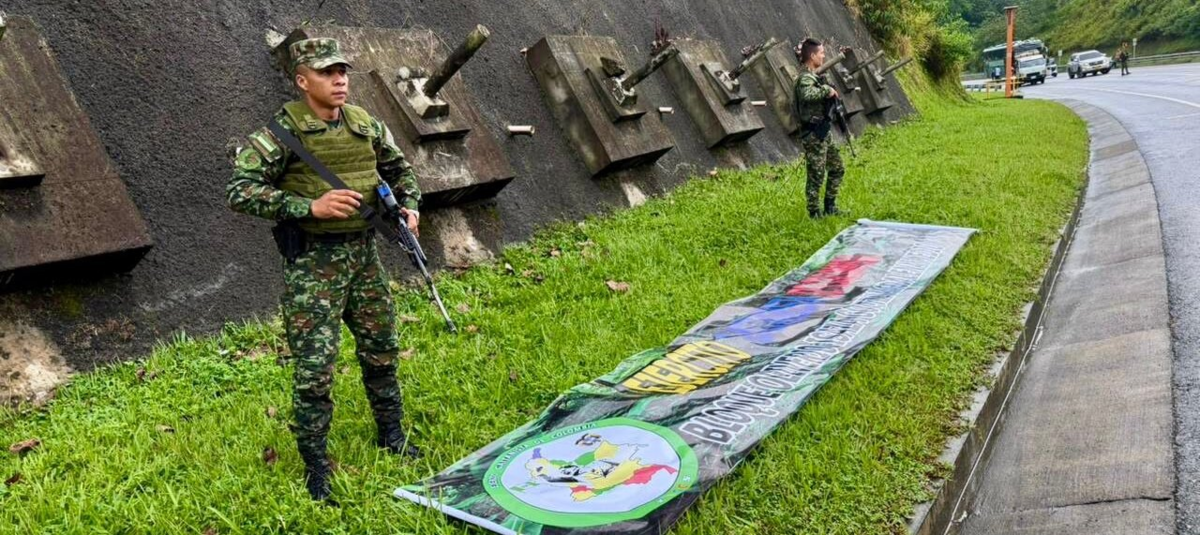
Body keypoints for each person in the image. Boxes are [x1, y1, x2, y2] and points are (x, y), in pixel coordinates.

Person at [226, 37, 423, 503]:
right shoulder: (281, 133)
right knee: (315, 369)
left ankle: (391, 435)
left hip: (364, 255)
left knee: (382, 349)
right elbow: (240, 190)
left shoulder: (365, 124)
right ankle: (316, 467)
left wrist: (410, 207)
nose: (339, 80)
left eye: (342, 71)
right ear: (302, 80)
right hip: (314, 264)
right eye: (326, 72)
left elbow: (401, 171)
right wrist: (308, 205)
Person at [792, 38, 847, 218]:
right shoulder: (805, 78)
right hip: (813, 134)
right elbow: (807, 95)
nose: (824, 56)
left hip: (823, 132)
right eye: (821, 53)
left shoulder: (814, 76)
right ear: (813, 55)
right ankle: (814, 212)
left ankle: (830, 206)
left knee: (837, 167)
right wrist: (826, 90)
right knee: (816, 174)